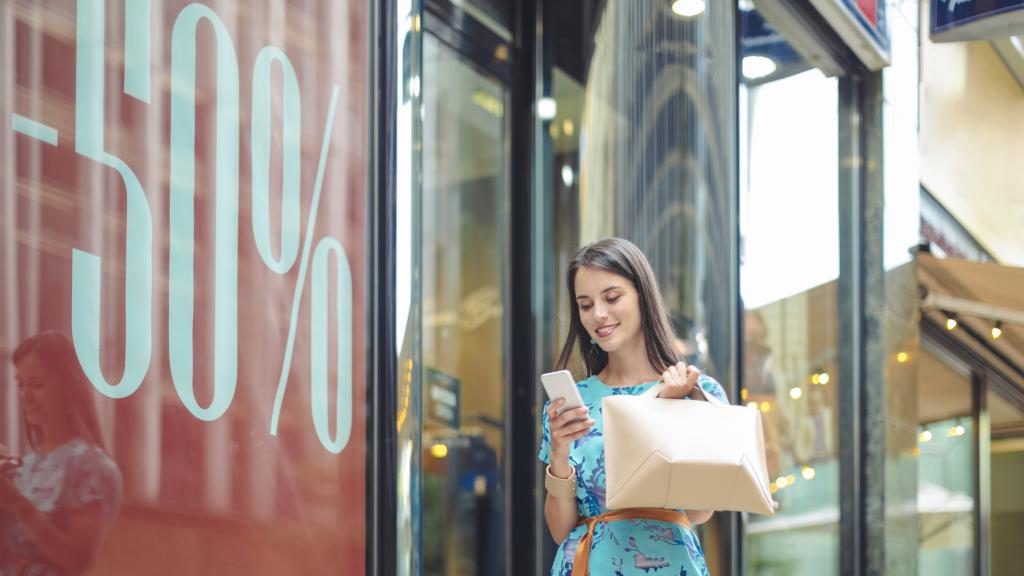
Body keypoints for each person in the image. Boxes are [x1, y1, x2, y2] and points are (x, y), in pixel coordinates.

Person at [539, 238, 729, 576]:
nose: (599, 314)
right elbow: (560, 531)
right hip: (585, 565)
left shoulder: (696, 391)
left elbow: (700, 511)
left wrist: (667, 413)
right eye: (585, 305)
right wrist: (558, 453)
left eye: (612, 298)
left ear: (643, 295)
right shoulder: (571, 402)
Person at [0, 331, 123, 575]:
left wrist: (17, 504)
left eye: (37, 385)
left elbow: (78, 561)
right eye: (21, 384)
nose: (26, 396)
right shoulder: (28, 464)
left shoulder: (90, 466)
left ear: (69, 386)